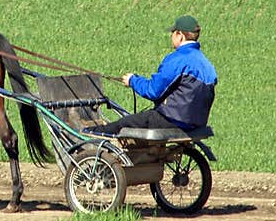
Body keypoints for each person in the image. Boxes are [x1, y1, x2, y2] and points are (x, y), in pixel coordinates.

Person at [83, 15, 217, 136]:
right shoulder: (206, 63)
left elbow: (154, 91)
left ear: (179, 35)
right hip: (195, 123)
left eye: (172, 33)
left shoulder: (178, 59)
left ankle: (88, 134)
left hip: (172, 120)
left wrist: (133, 81)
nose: (171, 37)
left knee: (121, 125)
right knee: (137, 118)